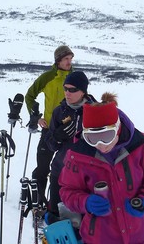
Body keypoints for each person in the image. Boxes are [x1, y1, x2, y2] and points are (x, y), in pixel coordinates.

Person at [59, 93, 144, 244]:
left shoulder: (142, 145)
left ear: (117, 128)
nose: (102, 145)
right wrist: (86, 202)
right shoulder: (77, 156)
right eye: (93, 138)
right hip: (98, 238)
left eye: (107, 136)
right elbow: (67, 192)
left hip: (139, 237)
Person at [25, 45, 74, 208]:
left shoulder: (74, 78)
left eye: (71, 59)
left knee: (62, 170)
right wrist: (37, 117)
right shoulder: (47, 77)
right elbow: (30, 96)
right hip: (48, 130)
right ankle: (37, 199)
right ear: (58, 60)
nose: (70, 62)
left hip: (68, 131)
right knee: (42, 168)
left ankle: (57, 204)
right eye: (66, 59)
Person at [45, 71, 97, 220]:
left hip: (86, 177)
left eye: (72, 89)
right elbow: (50, 145)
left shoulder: (96, 111)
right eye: (65, 88)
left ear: (83, 91)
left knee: (83, 222)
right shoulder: (59, 112)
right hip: (60, 172)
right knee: (57, 217)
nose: (67, 93)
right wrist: (57, 136)